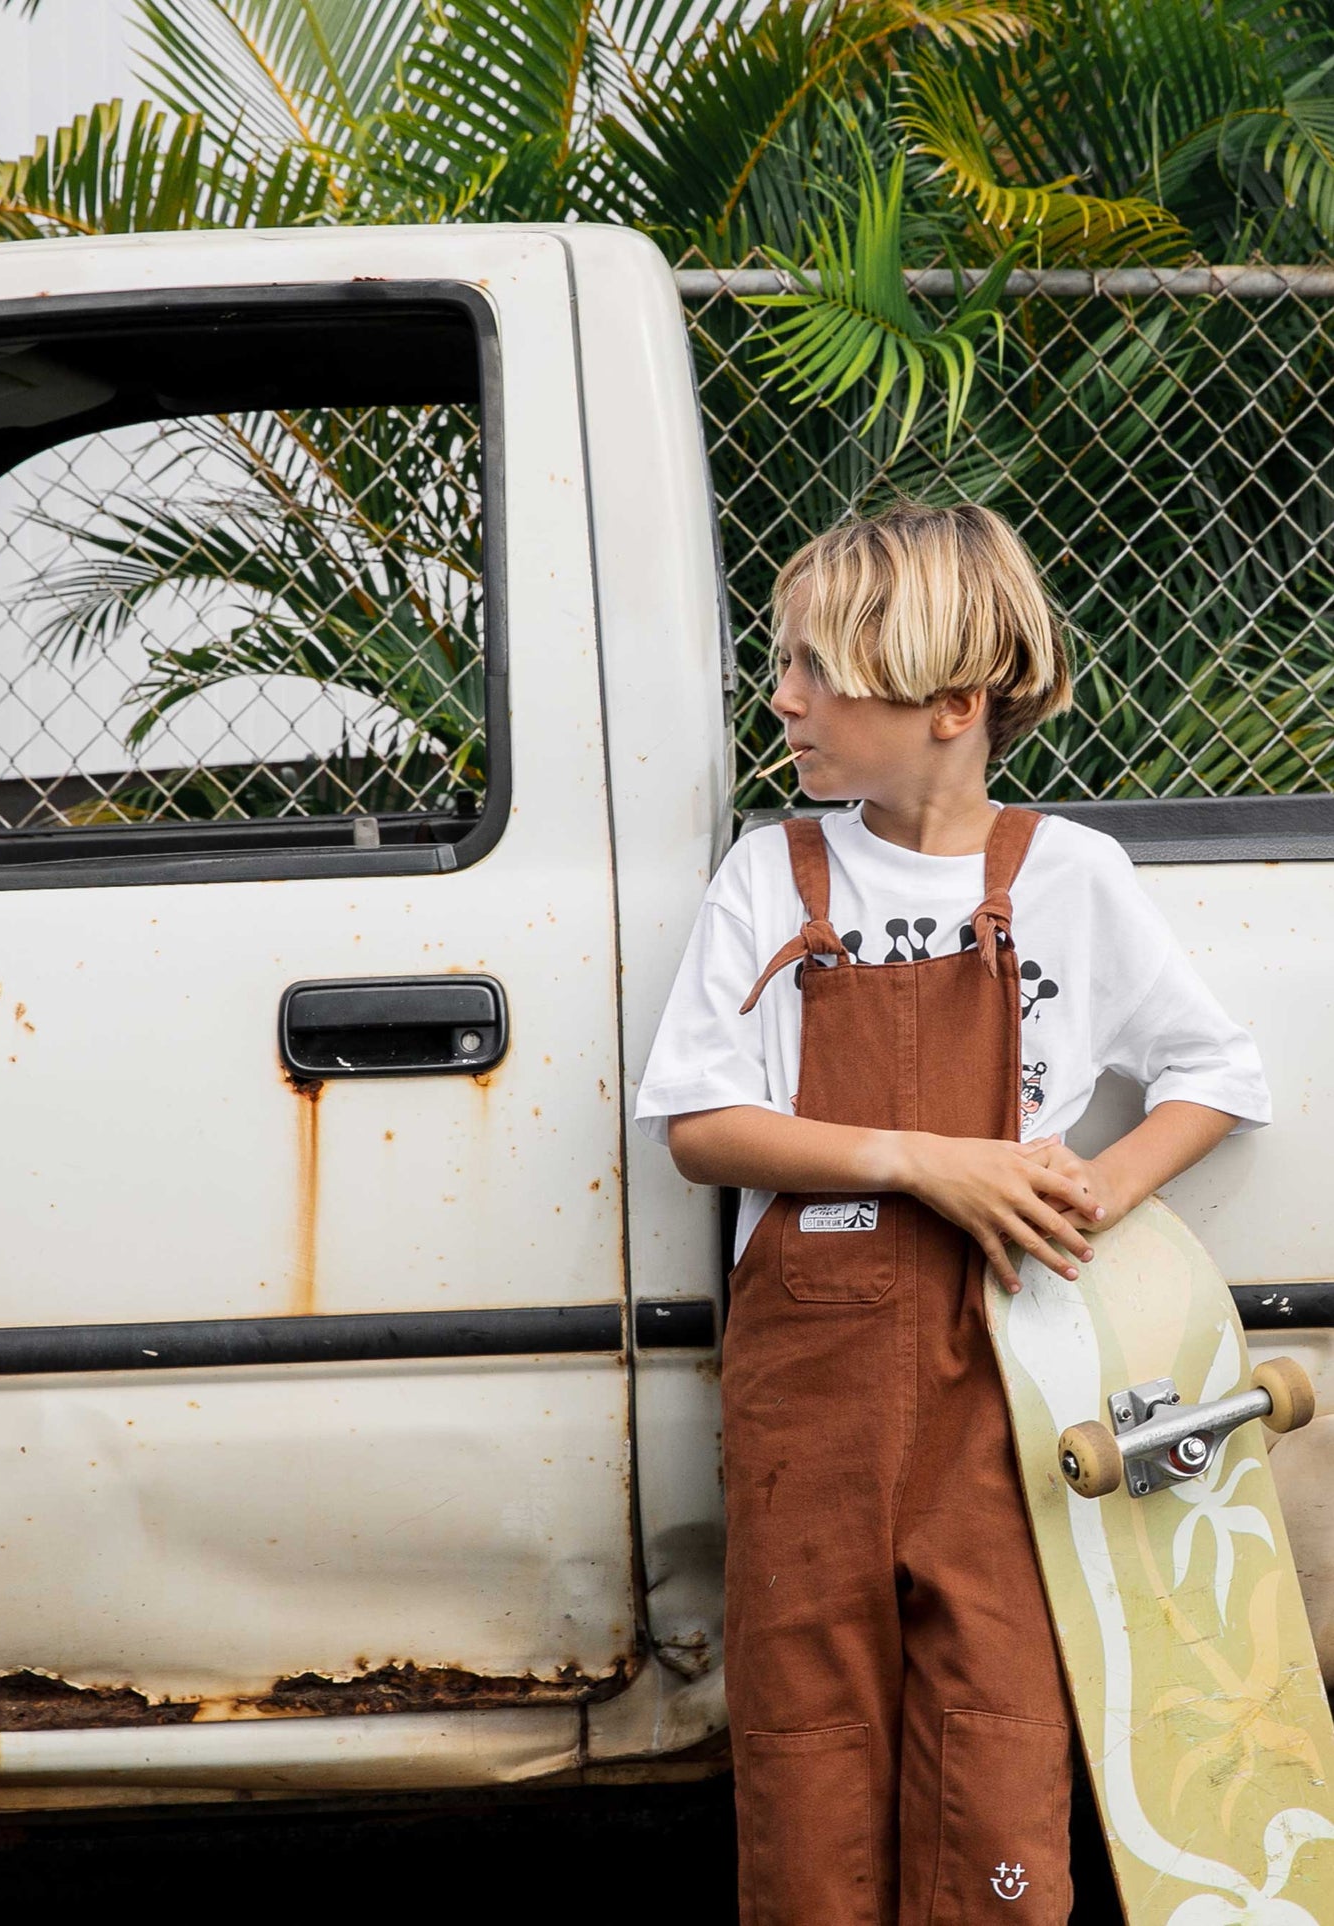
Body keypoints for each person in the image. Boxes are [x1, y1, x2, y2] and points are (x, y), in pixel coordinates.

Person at [634, 501, 1271, 1925]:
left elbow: (1218, 1071)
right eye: (782, 662)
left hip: (1016, 1381)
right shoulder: (773, 877)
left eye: (816, 668)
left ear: (949, 703)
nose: (779, 695)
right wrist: (933, 1161)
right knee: (805, 1726)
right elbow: (701, 1126)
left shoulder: (1069, 878)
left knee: (996, 1721)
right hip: (814, 1399)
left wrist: (1091, 1191)